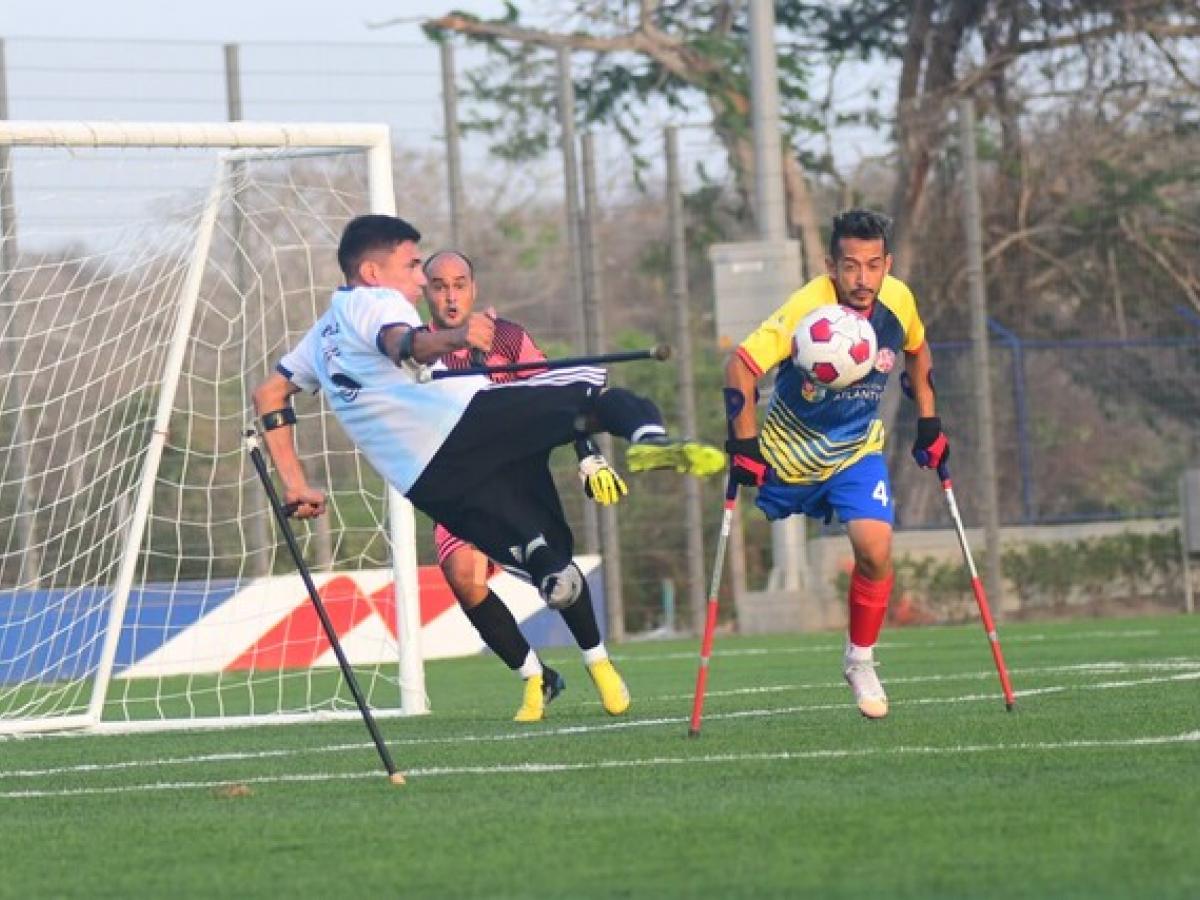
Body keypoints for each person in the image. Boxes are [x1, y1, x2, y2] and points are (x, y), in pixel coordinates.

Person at [252, 214, 725, 719]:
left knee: (540, 552)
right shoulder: (377, 302)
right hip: (464, 424)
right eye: (413, 266)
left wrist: (296, 483)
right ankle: (649, 438)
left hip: (428, 481)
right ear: (371, 272)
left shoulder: (323, 332)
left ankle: (560, 608)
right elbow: (403, 343)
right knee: (591, 392)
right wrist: (454, 339)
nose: (418, 278)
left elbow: (270, 393)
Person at [723, 208, 947, 719]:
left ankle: (860, 660)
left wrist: (930, 421)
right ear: (831, 265)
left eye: (872, 266)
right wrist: (743, 444)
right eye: (850, 266)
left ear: (887, 264)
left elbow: (918, 346)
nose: (862, 279)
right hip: (788, 448)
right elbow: (739, 364)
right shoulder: (807, 307)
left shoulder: (899, 298)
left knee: (875, 550)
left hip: (855, 451)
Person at [422, 248, 631, 722]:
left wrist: (588, 455)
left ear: (473, 290)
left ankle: (598, 661)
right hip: (461, 483)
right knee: (461, 577)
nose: (450, 296)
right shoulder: (418, 352)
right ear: (425, 292)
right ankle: (536, 676)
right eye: (439, 286)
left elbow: (555, 397)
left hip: (519, 477)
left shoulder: (509, 339)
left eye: (459, 285)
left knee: (554, 575)